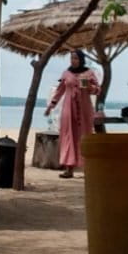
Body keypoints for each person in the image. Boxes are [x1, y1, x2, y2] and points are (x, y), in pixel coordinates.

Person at [43, 49, 99, 178]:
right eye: (71, 58)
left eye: (76, 58)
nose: (73, 61)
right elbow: (59, 90)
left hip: (84, 110)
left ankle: (87, 169)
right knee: (69, 137)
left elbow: (97, 90)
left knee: (85, 138)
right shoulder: (66, 74)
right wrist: (51, 106)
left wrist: (89, 87)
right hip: (68, 109)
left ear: (81, 59)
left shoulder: (89, 73)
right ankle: (69, 170)